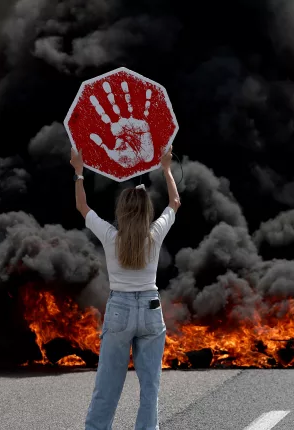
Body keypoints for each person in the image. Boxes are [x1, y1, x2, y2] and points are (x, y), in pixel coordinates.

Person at [70, 146, 181, 430]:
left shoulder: (111, 237)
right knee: (150, 389)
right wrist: (166, 168)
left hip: (119, 309)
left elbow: (82, 207)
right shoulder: (154, 235)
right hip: (150, 310)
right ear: (146, 212)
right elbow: (175, 202)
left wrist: (79, 171)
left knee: (107, 386)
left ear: (121, 211)